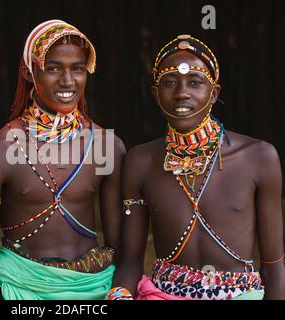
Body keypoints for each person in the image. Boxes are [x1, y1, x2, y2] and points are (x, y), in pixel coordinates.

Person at [0, 19, 125, 300]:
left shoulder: (107, 146)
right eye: (53, 68)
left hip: (92, 289)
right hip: (19, 287)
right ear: (28, 71)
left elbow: (120, 246)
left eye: (77, 69)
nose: (67, 81)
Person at [111, 35, 284, 300]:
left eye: (195, 83)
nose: (182, 93)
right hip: (162, 293)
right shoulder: (141, 161)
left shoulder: (259, 158)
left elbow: (273, 265)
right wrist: (119, 294)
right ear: (156, 94)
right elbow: (132, 260)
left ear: (214, 93)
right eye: (170, 83)